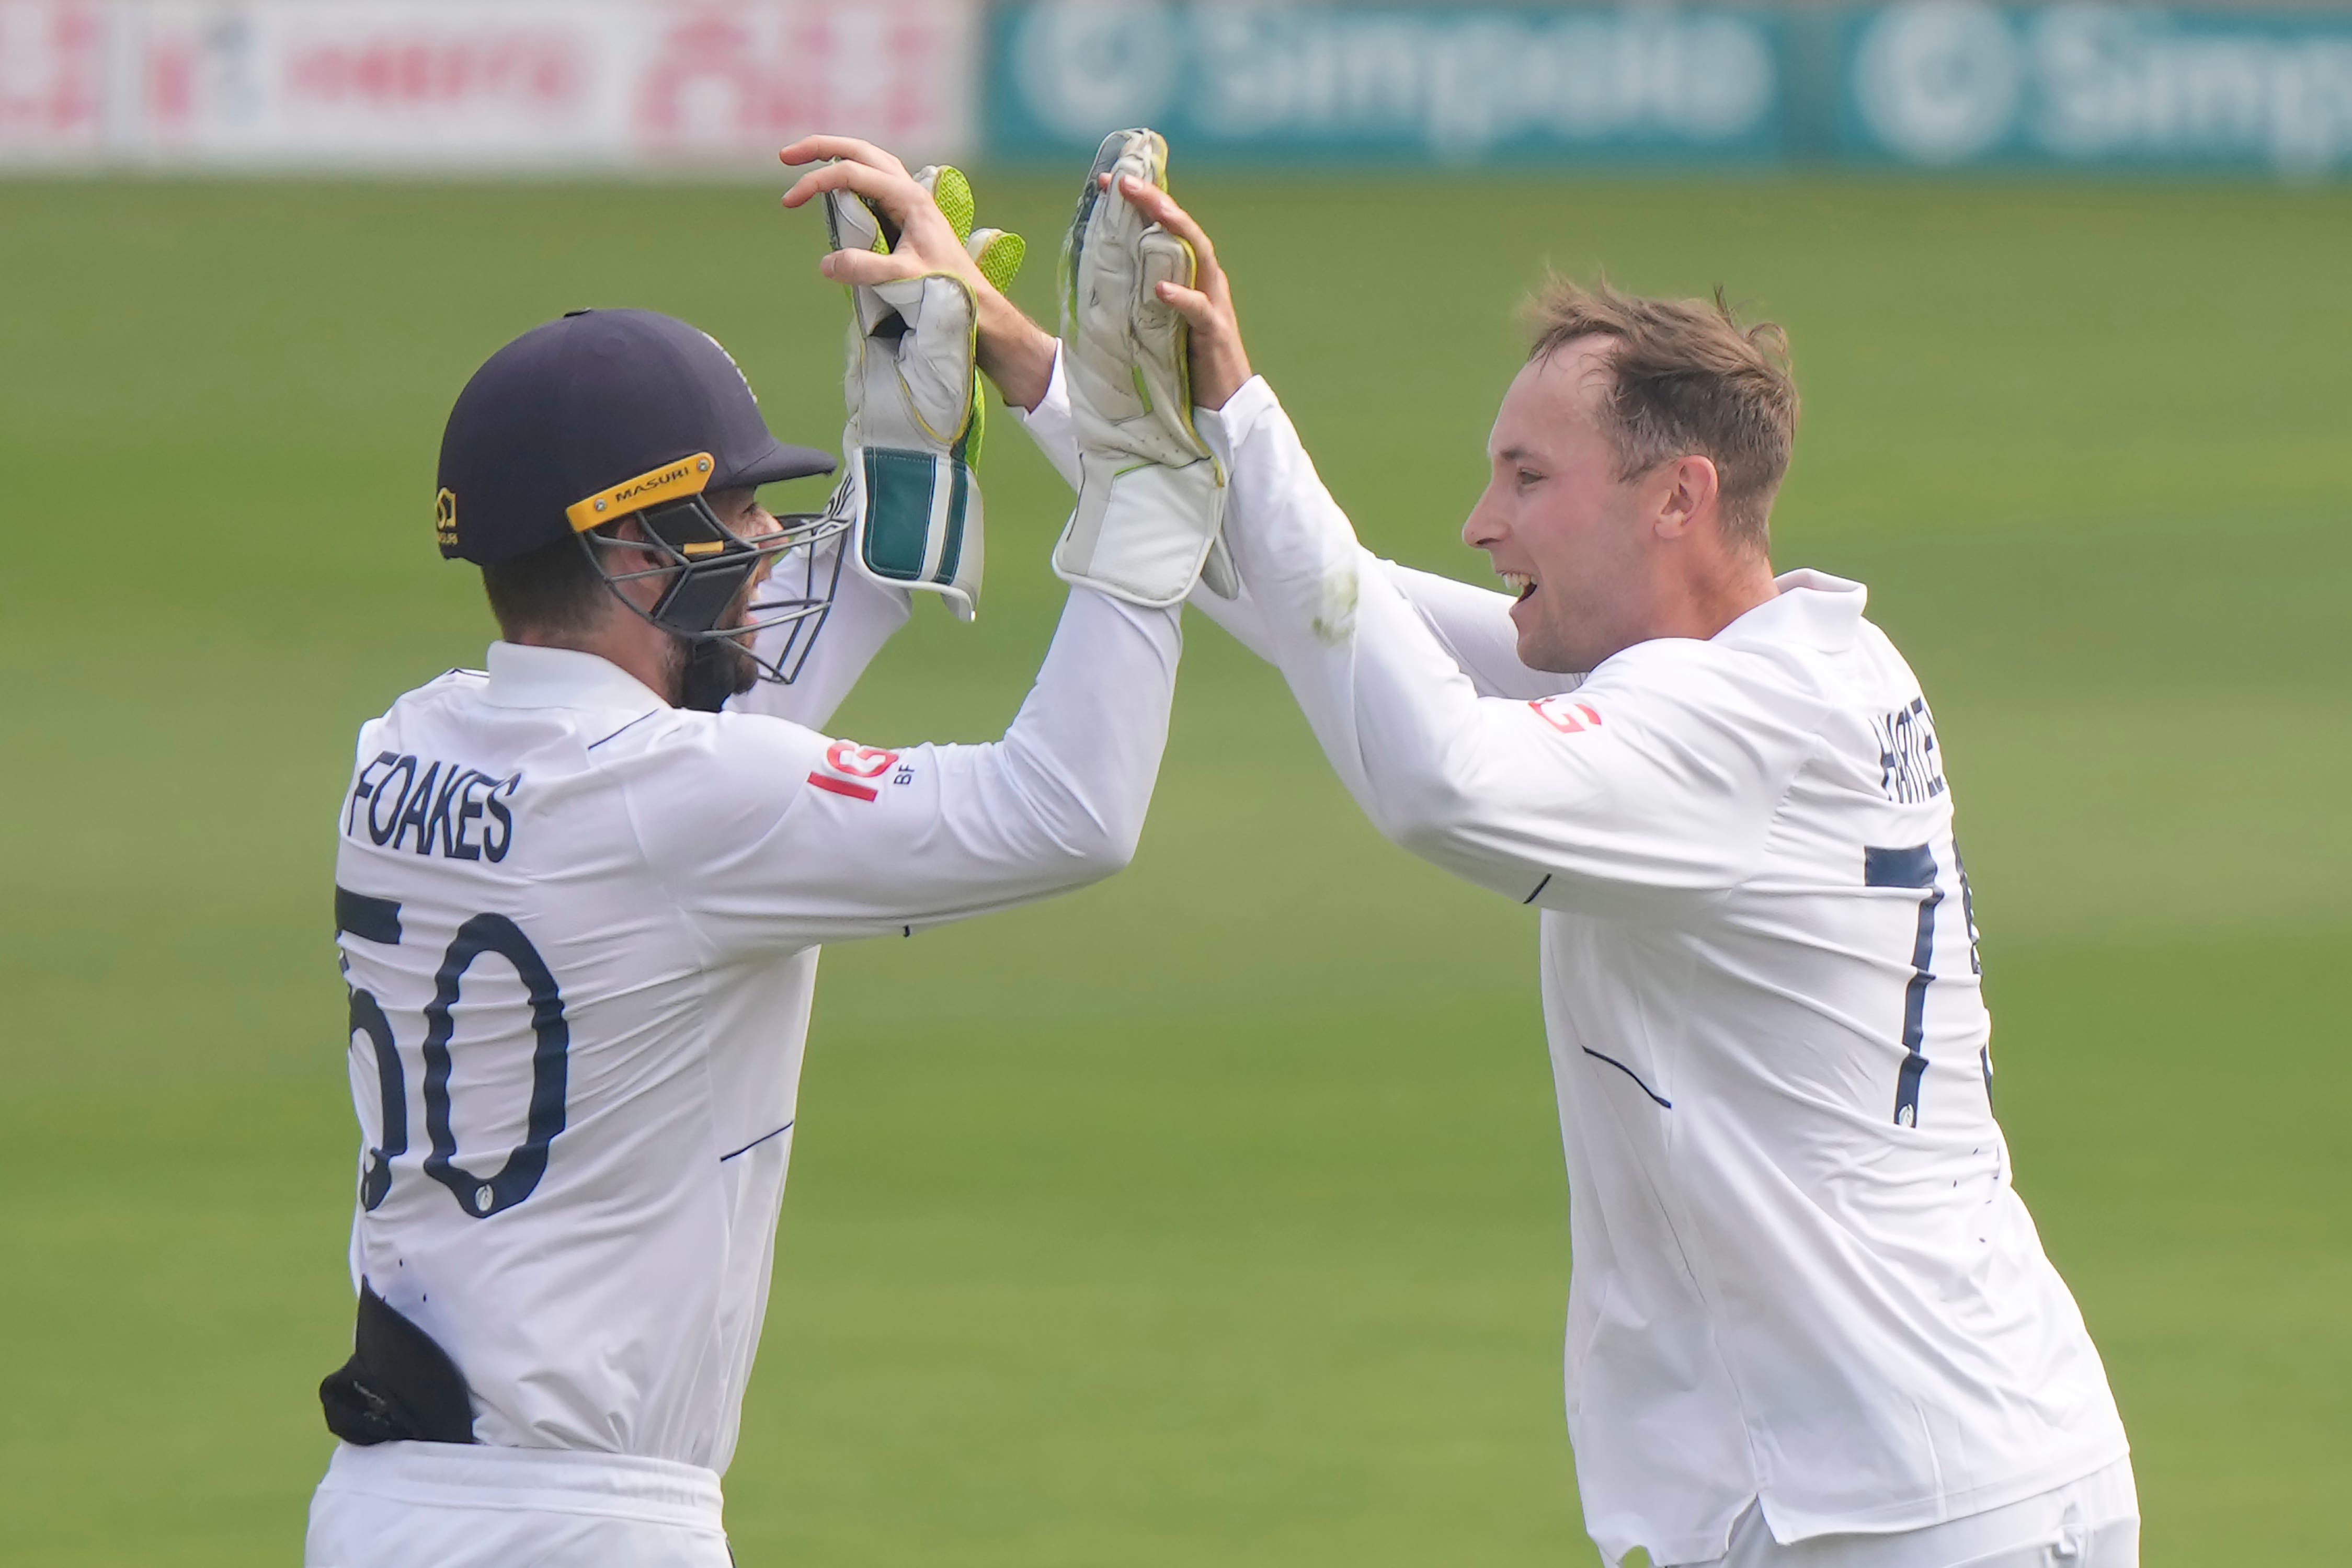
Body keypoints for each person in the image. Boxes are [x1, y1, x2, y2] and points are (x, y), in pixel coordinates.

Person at [952, 141, 2137, 1568]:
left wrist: (1244, 412)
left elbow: (1432, 782)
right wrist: (1026, 364)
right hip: (1908, 1472)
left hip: (1908, 1501)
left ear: (1675, 499)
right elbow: (1325, 608)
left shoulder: (1740, 723)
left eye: (1526, 477)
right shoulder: (1781, 670)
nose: (1480, 521)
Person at [305, 153, 1220, 1565]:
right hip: (583, 1524)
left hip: (385, 1513)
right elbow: (1071, 811)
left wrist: (906, 433)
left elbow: (731, 702)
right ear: (628, 551)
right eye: (730, 514)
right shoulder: (676, 804)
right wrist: (1143, 491)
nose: (762, 540)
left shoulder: (400, 753)